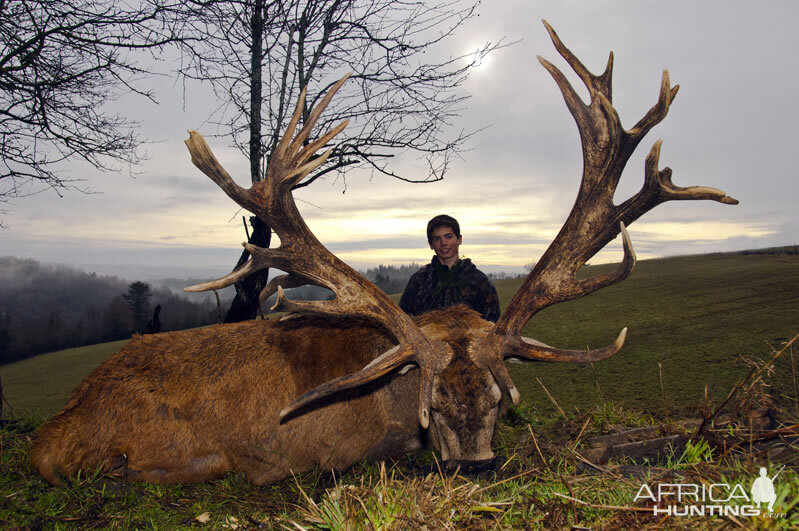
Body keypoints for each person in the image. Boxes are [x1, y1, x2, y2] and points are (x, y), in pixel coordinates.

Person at [400, 214, 500, 322]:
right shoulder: (418, 281)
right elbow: (403, 323)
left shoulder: (479, 281)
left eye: (448, 237)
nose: (443, 243)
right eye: (437, 239)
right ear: (431, 244)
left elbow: (493, 327)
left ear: (459, 239)